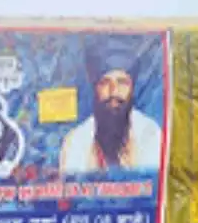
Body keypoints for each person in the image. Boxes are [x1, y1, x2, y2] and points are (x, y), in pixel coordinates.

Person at [59, 35, 162, 175]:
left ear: (132, 88)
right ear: (95, 88)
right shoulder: (76, 140)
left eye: (122, 83)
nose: (114, 92)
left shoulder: (150, 133)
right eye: (105, 83)